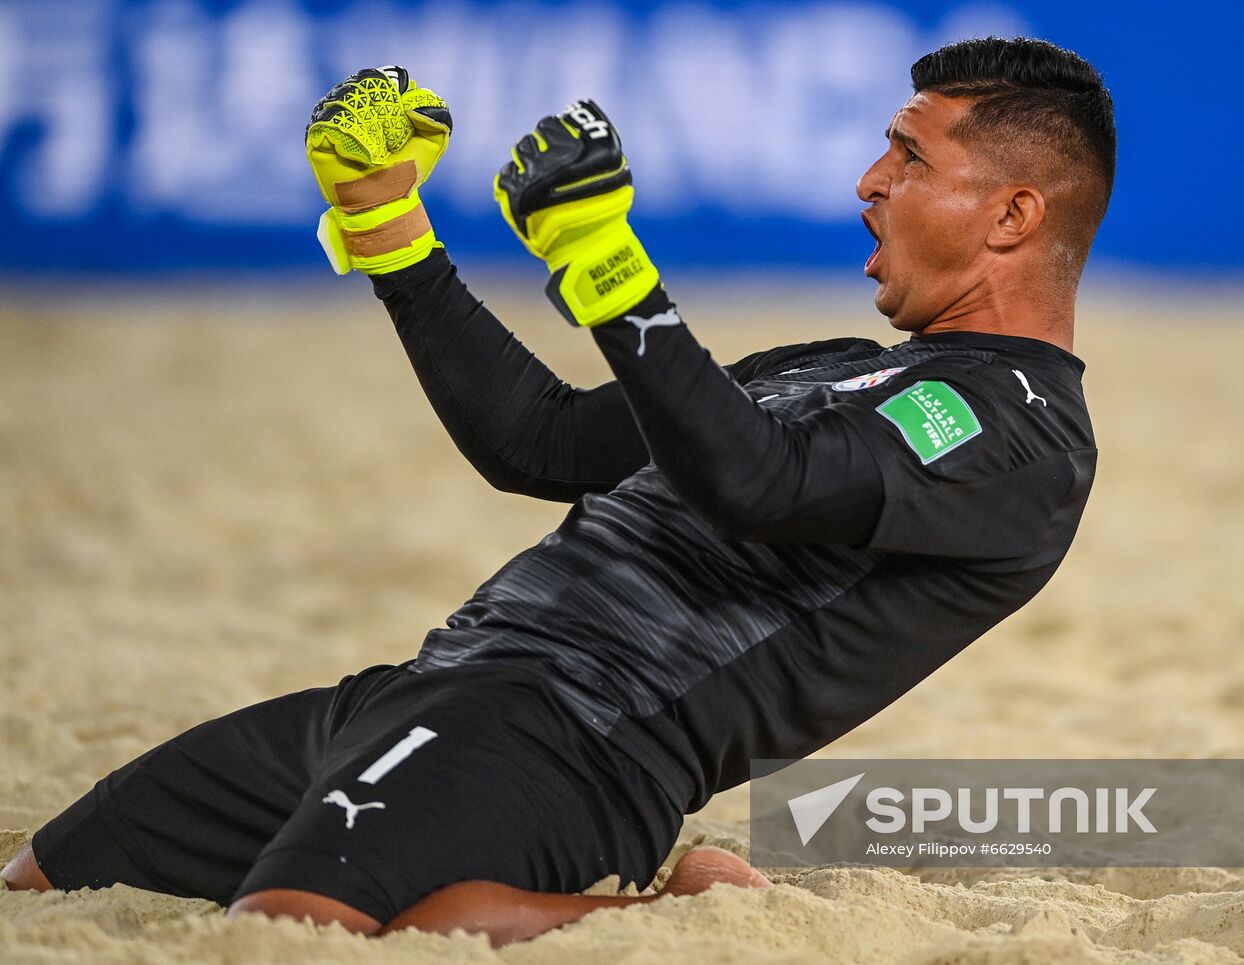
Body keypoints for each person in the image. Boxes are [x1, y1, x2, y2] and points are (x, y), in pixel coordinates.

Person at [3, 37, 1115, 946]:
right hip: (425, 690)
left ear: (1011, 216)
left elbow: (760, 486)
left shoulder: (1020, 428)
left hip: (572, 740)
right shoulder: (821, 360)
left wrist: (614, 270)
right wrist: (390, 225)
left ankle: (673, 912)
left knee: (286, 929)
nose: (868, 182)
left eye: (908, 158)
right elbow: (536, 441)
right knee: (41, 883)